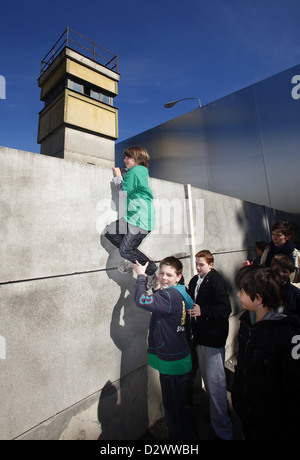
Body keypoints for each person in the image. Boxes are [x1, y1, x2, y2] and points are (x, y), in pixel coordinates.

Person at [232, 266, 300, 440]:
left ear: (258, 298)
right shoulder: (247, 322)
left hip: (273, 426)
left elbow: (292, 388)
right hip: (248, 417)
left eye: (242, 291)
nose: (238, 295)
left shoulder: (288, 334)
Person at [133, 256, 195, 440]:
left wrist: (140, 276)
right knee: (179, 411)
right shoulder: (180, 292)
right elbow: (162, 303)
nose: (164, 278)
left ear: (178, 277)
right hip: (179, 359)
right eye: (162, 273)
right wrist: (158, 289)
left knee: (176, 415)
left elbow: (141, 301)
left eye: (169, 275)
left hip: (172, 363)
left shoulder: (169, 296)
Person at [187, 250, 234, 440]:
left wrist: (203, 310)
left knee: (215, 385)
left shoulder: (216, 281)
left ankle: (225, 431)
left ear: (211, 265)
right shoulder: (195, 280)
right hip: (200, 339)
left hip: (213, 341)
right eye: (197, 264)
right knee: (209, 382)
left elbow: (225, 309)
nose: (198, 267)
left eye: (202, 264)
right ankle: (217, 420)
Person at [104, 146, 157, 286]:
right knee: (111, 231)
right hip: (134, 217)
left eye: (128, 157)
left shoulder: (135, 172)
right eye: (125, 157)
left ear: (137, 158)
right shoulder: (140, 172)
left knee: (125, 250)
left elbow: (123, 191)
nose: (125, 160)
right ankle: (133, 260)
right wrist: (125, 173)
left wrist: (117, 175)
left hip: (139, 219)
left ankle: (151, 269)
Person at [270, 254, 300, 318]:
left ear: (290, 272)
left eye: (285, 271)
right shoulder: (264, 290)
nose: (281, 274)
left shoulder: (296, 294)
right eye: (277, 271)